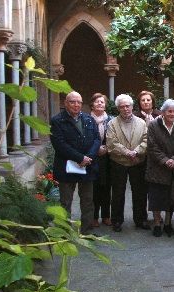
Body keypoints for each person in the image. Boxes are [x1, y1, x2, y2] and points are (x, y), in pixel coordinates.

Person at [50, 91, 100, 233]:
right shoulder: (57, 120)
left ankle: (87, 230)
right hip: (67, 167)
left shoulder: (89, 119)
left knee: (87, 201)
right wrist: (80, 158)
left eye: (79, 102)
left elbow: (96, 139)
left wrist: (88, 157)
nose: (76, 104)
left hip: (87, 167)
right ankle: (64, 231)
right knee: (65, 201)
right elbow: (59, 144)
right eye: (72, 101)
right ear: (65, 103)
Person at [106, 94, 149, 232]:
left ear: (132, 106)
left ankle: (141, 219)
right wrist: (126, 152)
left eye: (128, 106)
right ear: (118, 108)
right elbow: (112, 142)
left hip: (137, 161)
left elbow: (146, 140)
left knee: (140, 192)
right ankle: (117, 221)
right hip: (119, 162)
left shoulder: (142, 123)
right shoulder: (112, 123)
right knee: (118, 192)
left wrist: (136, 151)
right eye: (122, 106)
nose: (125, 109)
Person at [145, 99, 174, 237]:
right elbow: (152, 146)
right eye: (169, 111)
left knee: (171, 198)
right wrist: (165, 160)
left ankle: (168, 223)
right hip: (157, 168)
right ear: (163, 112)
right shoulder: (153, 125)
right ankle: (157, 223)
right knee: (156, 198)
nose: (172, 114)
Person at [89, 93, 113, 228]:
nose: (100, 104)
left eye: (102, 102)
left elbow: (115, 137)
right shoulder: (86, 119)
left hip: (107, 159)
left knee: (106, 188)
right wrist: (96, 149)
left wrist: (107, 148)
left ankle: (106, 216)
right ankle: (94, 217)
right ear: (92, 104)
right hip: (92, 158)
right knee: (93, 189)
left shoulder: (110, 120)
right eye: (97, 102)